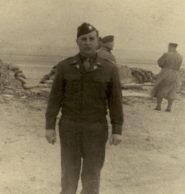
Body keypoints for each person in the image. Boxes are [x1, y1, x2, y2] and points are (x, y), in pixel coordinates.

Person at [45, 22, 124, 194]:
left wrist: (117, 129)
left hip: (96, 128)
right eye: (83, 39)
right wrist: (49, 126)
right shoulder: (65, 66)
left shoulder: (109, 69)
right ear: (77, 41)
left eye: (91, 39)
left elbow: (115, 101)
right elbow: (54, 99)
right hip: (69, 127)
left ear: (98, 42)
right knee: (68, 173)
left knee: (92, 174)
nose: (88, 42)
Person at [152, 42, 183, 112]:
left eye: (169, 47)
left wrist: (164, 66)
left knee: (160, 88)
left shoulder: (167, 54)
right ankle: (169, 108)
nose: (168, 48)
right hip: (176, 74)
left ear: (170, 47)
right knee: (172, 90)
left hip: (166, 73)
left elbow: (160, 63)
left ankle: (158, 106)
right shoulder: (180, 56)